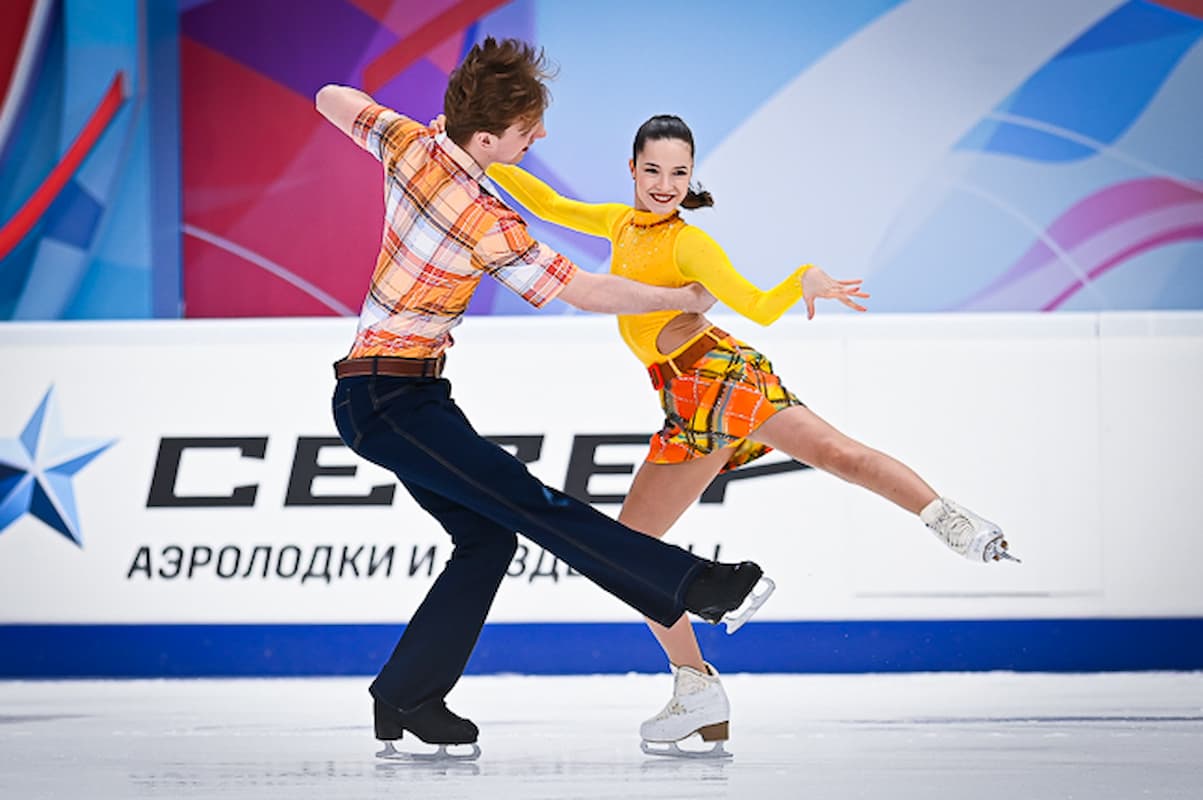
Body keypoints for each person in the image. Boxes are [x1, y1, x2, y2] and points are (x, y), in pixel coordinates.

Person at [484, 113, 1017, 757]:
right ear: (632, 169)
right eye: (652, 170)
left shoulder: (689, 244)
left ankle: (950, 518)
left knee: (834, 453)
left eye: (679, 172)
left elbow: (759, 305)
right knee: (628, 551)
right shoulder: (617, 223)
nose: (665, 183)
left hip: (720, 376)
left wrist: (806, 278)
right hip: (682, 400)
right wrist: (468, 149)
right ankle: (696, 687)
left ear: (691, 174)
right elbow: (545, 201)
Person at [314, 43, 775, 762]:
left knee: (489, 536)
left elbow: (331, 94)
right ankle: (696, 583)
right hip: (389, 400)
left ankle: (407, 693)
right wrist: (681, 297)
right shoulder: (485, 220)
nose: (541, 138)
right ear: (490, 139)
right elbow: (586, 291)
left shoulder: (408, 140)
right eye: (530, 129)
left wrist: (423, 122)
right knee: (533, 506)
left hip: (393, 391)